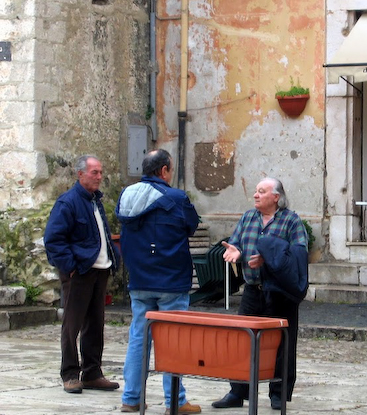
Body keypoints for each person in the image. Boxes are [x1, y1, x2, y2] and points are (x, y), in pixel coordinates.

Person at [116, 149, 201, 415]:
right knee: (172, 340)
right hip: (171, 281)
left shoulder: (127, 195)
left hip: (139, 278)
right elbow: (192, 225)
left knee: (139, 338)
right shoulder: (175, 197)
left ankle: (131, 398)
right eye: (170, 170)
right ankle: (175, 402)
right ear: (164, 170)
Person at [212, 177, 309, 411]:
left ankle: (278, 394)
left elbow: (298, 255)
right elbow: (236, 244)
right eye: (255, 191)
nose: (256, 195)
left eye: (261, 191)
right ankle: (237, 391)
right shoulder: (248, 218)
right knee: (242, 341)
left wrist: (269, 259)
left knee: (281, 344)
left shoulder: (291, 221)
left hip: (279, 294)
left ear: (276, 197)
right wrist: (234, 251)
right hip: (252, 291)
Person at [44, 155, 120, 394]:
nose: (99, 177)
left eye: (100, 172)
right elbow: (53, 240)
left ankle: (92, 373)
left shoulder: (95, 201)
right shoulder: (67, 202)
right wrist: (70, 266)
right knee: (72, 325)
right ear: (80, 174)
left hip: (100, 271)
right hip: (79, 273)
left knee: (95, 325)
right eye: (94, 172)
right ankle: (69, 374)